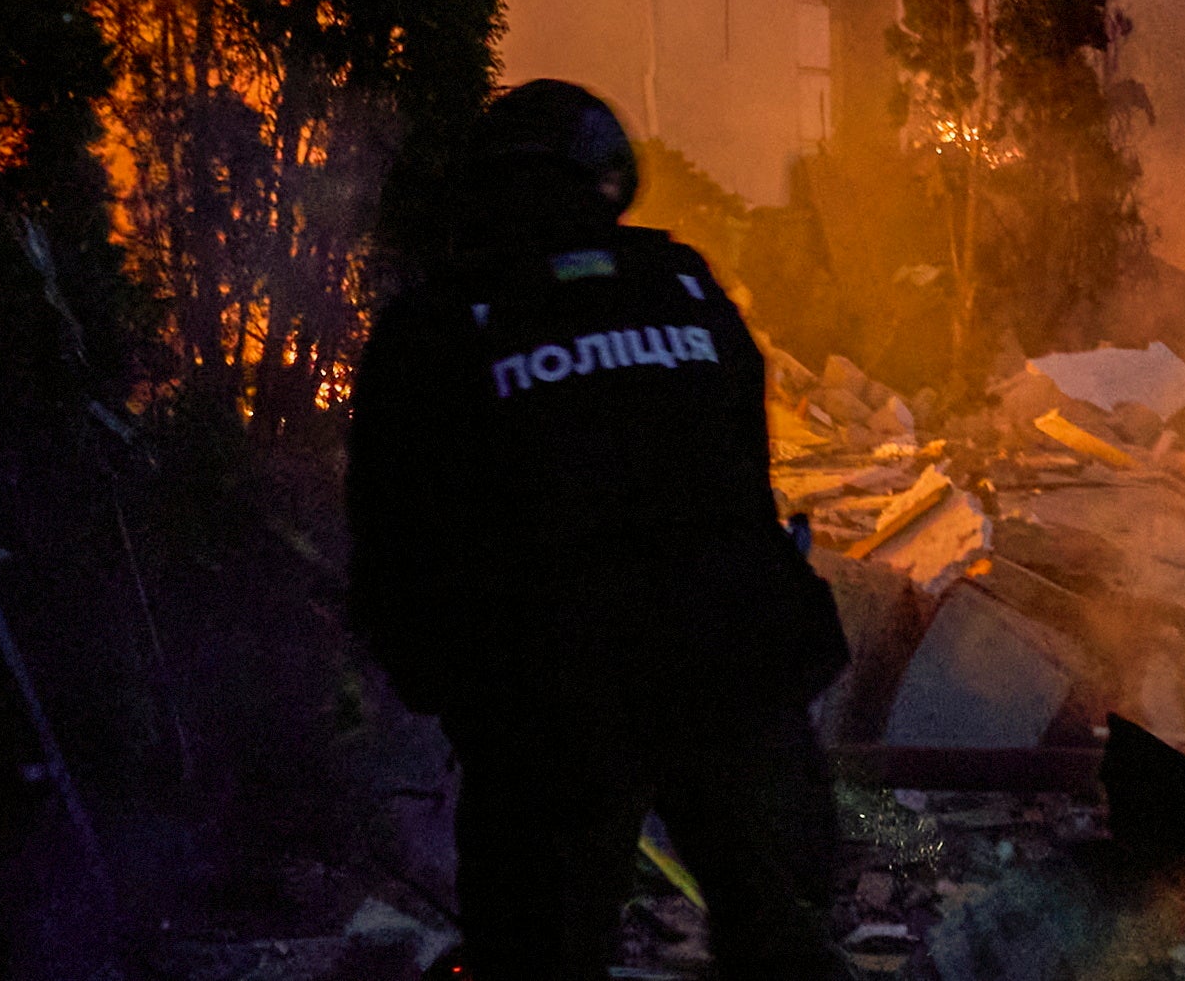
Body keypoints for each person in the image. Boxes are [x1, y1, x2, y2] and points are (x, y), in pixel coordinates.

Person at [348, 81, 853, 981]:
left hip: (555, 694)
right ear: (610, 181)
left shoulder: (436, 328)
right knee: (778, 929)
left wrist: (442, 680)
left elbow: (396, 544)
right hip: (730, 664)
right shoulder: (687, 286)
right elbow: (745, 476)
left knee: (540, 952)